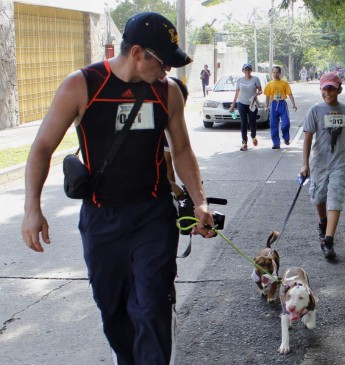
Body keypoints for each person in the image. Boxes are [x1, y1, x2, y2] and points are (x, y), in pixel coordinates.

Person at [21, 12, 216, 364]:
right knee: (113, 310)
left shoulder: (168, 93)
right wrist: (32, 208)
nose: (168, 71)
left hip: (153, 214)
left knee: (153, 303)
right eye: (163, 62)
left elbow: (183, 149)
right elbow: (42, 148)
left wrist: (199, 201)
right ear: (138, 52)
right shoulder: (82, 85)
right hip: (102, 218)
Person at [299, 72, 345, 260]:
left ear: (339, 90)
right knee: (318, 198)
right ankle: (322, 223)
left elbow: (342, 134)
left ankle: (328, 241)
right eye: (325, 89)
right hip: (319, 163)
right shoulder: (315, 110)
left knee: (335, 197)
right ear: (320, 89)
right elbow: (307, 138)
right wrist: (305, 165)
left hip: (339, 161)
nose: (328, 92)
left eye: (332, 88)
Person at [229, 63, 262, 151]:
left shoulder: (255, 79)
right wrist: (233, 105)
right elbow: (237, 93)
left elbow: (260, 91)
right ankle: (244, 143)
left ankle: (253, 136)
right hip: (241, 103)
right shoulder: (239, 80)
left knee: (252, 122)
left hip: (252, 104)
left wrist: (256, 94)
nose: (247, 71)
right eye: (245, 70)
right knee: (243, 123)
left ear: (251, 70)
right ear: (243, 71)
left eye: (248, 70)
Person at [264, 66, 297, 149]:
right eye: (274, 72)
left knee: (285, 123)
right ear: (272, 73)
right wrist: (267, 106)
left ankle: (286, 138)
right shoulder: (269, 84)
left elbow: (289, 94)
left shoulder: (284, 83)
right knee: (273, 124)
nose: (275, 74)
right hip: (274, 104)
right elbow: (267, 96)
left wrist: (294, 104)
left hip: (282, 104)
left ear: (280, 73)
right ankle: (276, 143)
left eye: (277, 72)